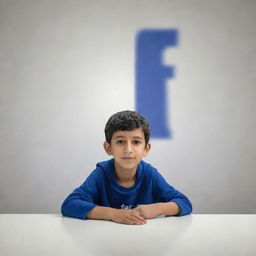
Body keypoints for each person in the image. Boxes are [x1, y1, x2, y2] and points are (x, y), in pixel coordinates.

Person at [61, 110, 192, 225]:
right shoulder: (102, 174)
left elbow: (184, 203)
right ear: (108, 148)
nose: (128, 150)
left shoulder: (149, 175)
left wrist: (157, 209)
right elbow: (69, 204)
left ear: (146, 148)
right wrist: (114, 214)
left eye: (136, 142)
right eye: (120, 141)